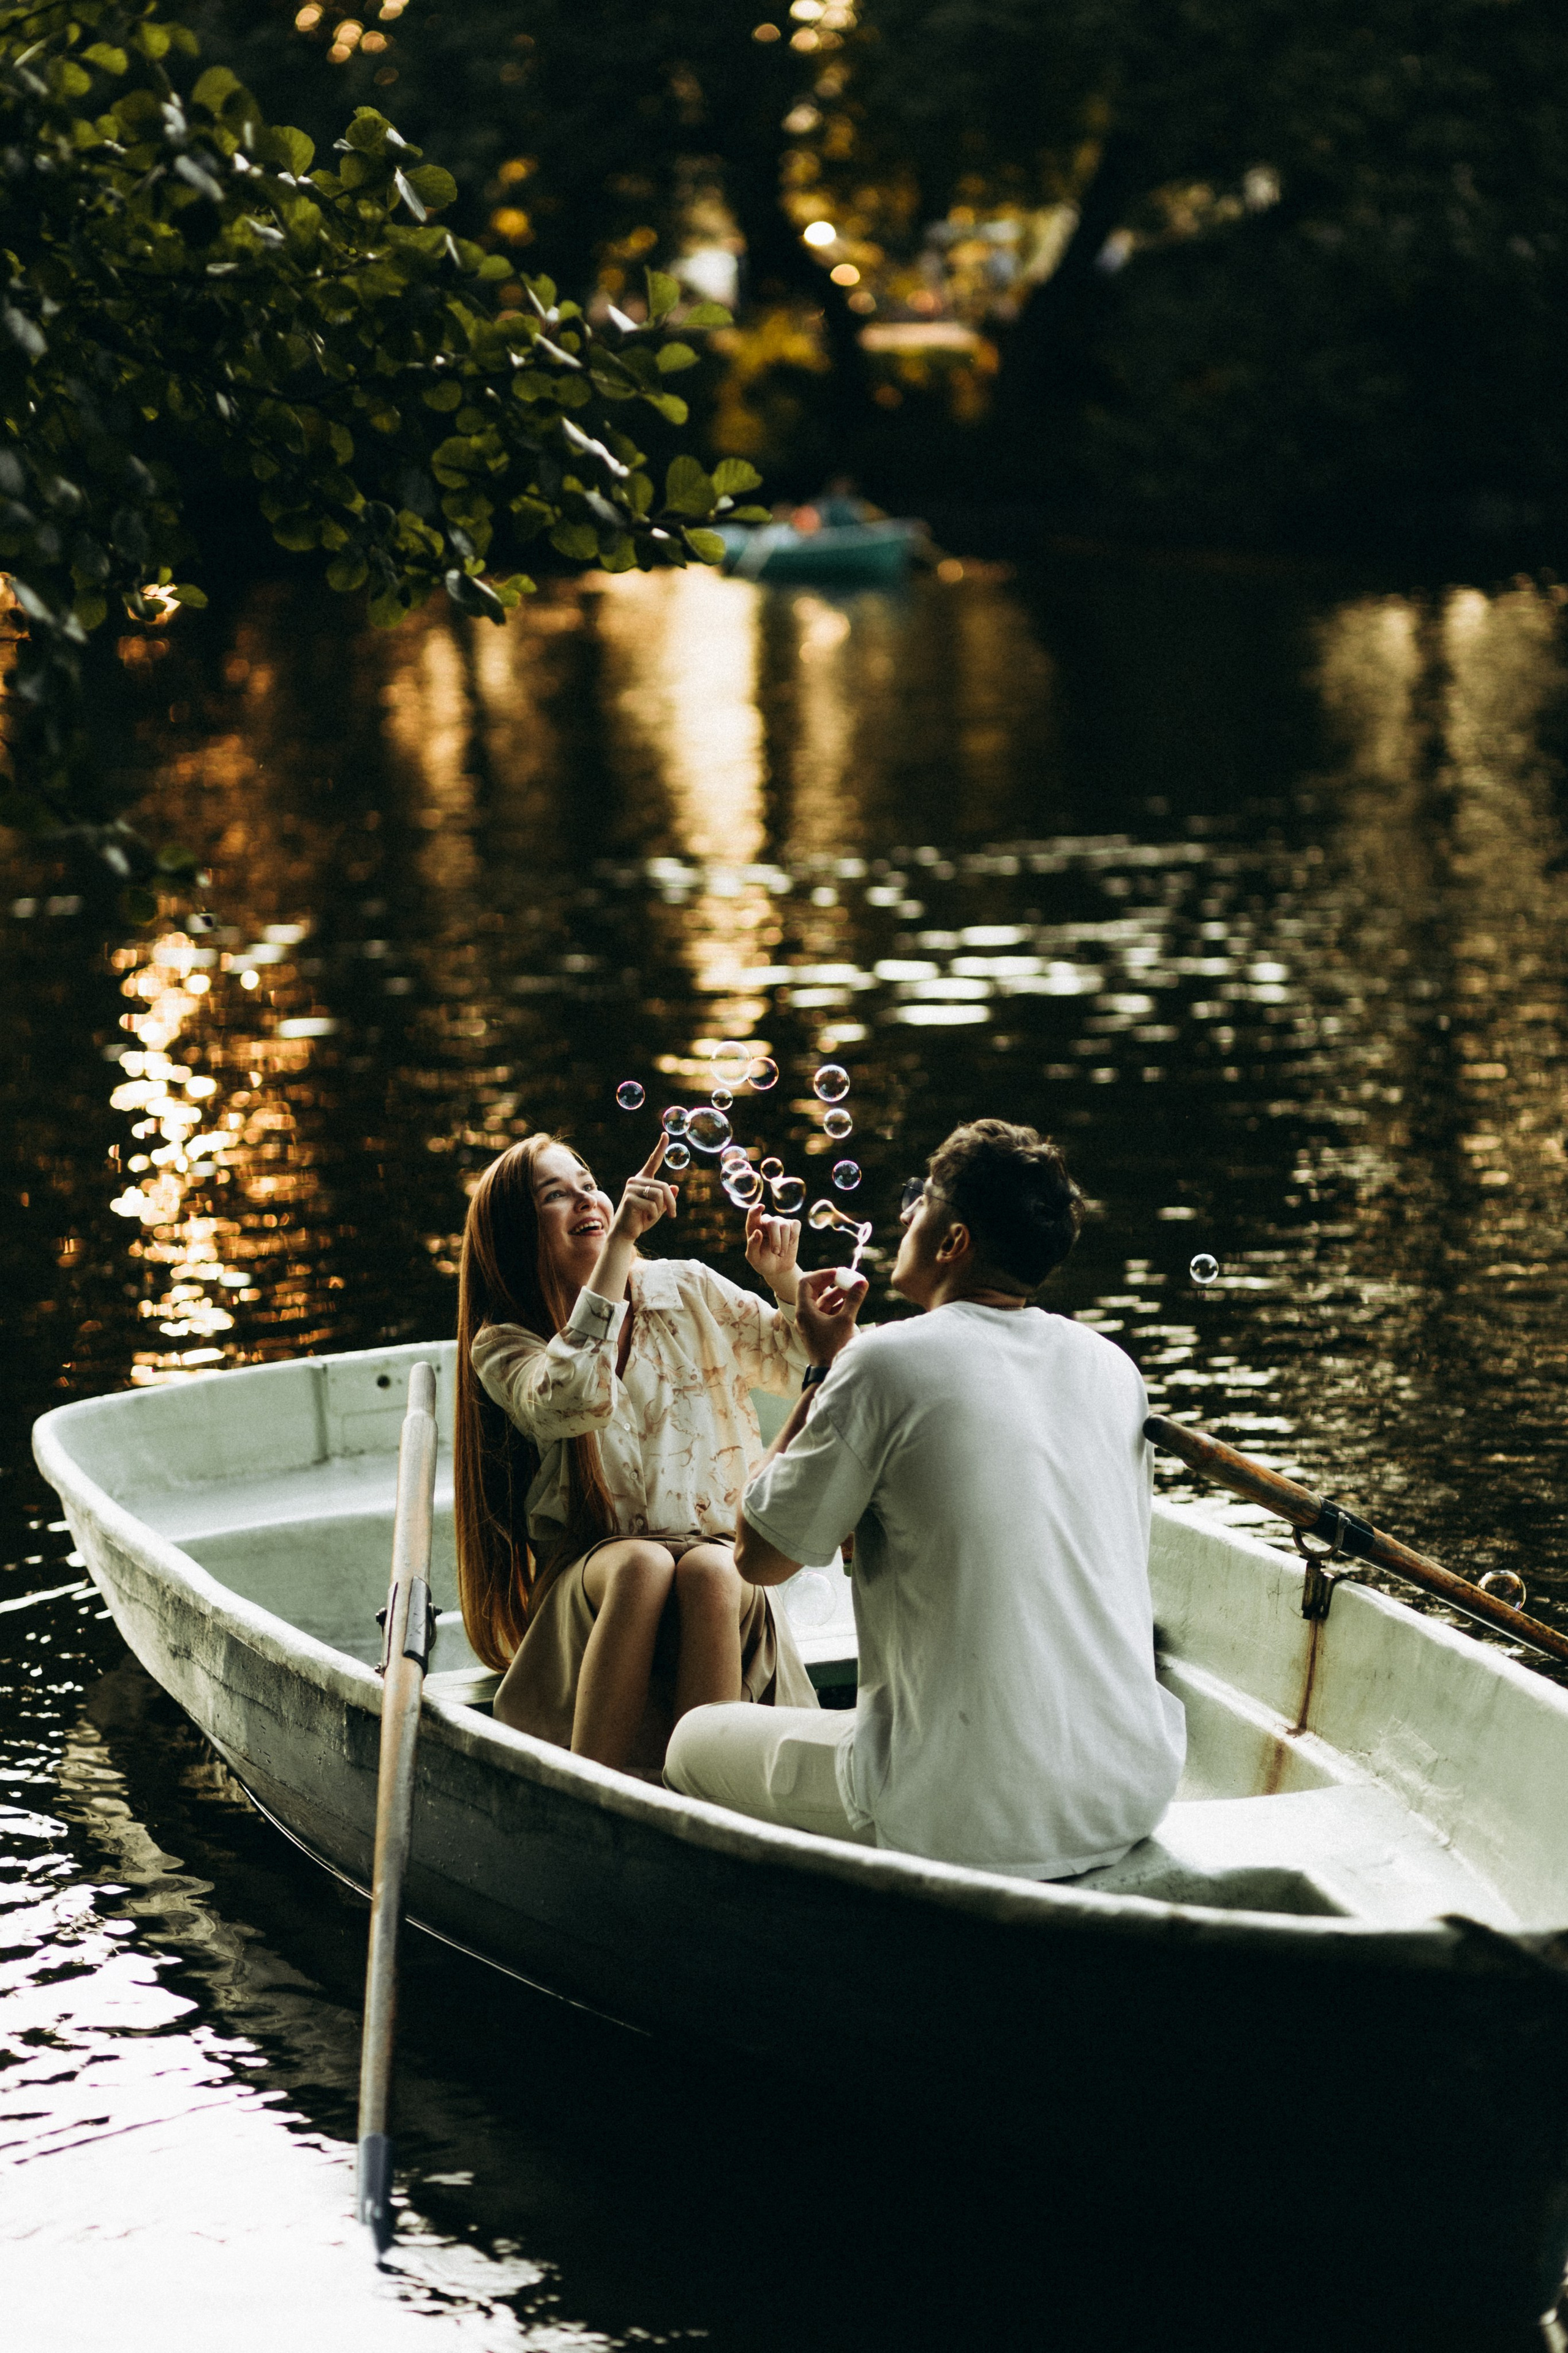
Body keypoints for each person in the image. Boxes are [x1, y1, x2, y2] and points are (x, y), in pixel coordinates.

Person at [665, 1119, 1186, 1879]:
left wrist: (821, 1371)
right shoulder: (1112, 1365)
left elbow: (759, 1556)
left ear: (954, 1243)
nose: (904, 1211)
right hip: (1130, 1790)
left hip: (959, 1808)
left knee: (692, 1741)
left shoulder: (880, 1361)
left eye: (923, 1198)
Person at [454, 1130, 819, 1775]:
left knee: (709, 1570)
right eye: (554, 1196)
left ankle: (707, 1800)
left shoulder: (685, 1288)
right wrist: (619, 1246)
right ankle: (590, 1793)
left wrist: (781, 1275)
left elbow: (804, 1363)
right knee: (643, 1565)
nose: (587, 1201)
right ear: (519, 1229)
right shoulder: (505, 1340)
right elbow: (570, 1397)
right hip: (597, 1573)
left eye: (588, 1184)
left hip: (717, 1562)